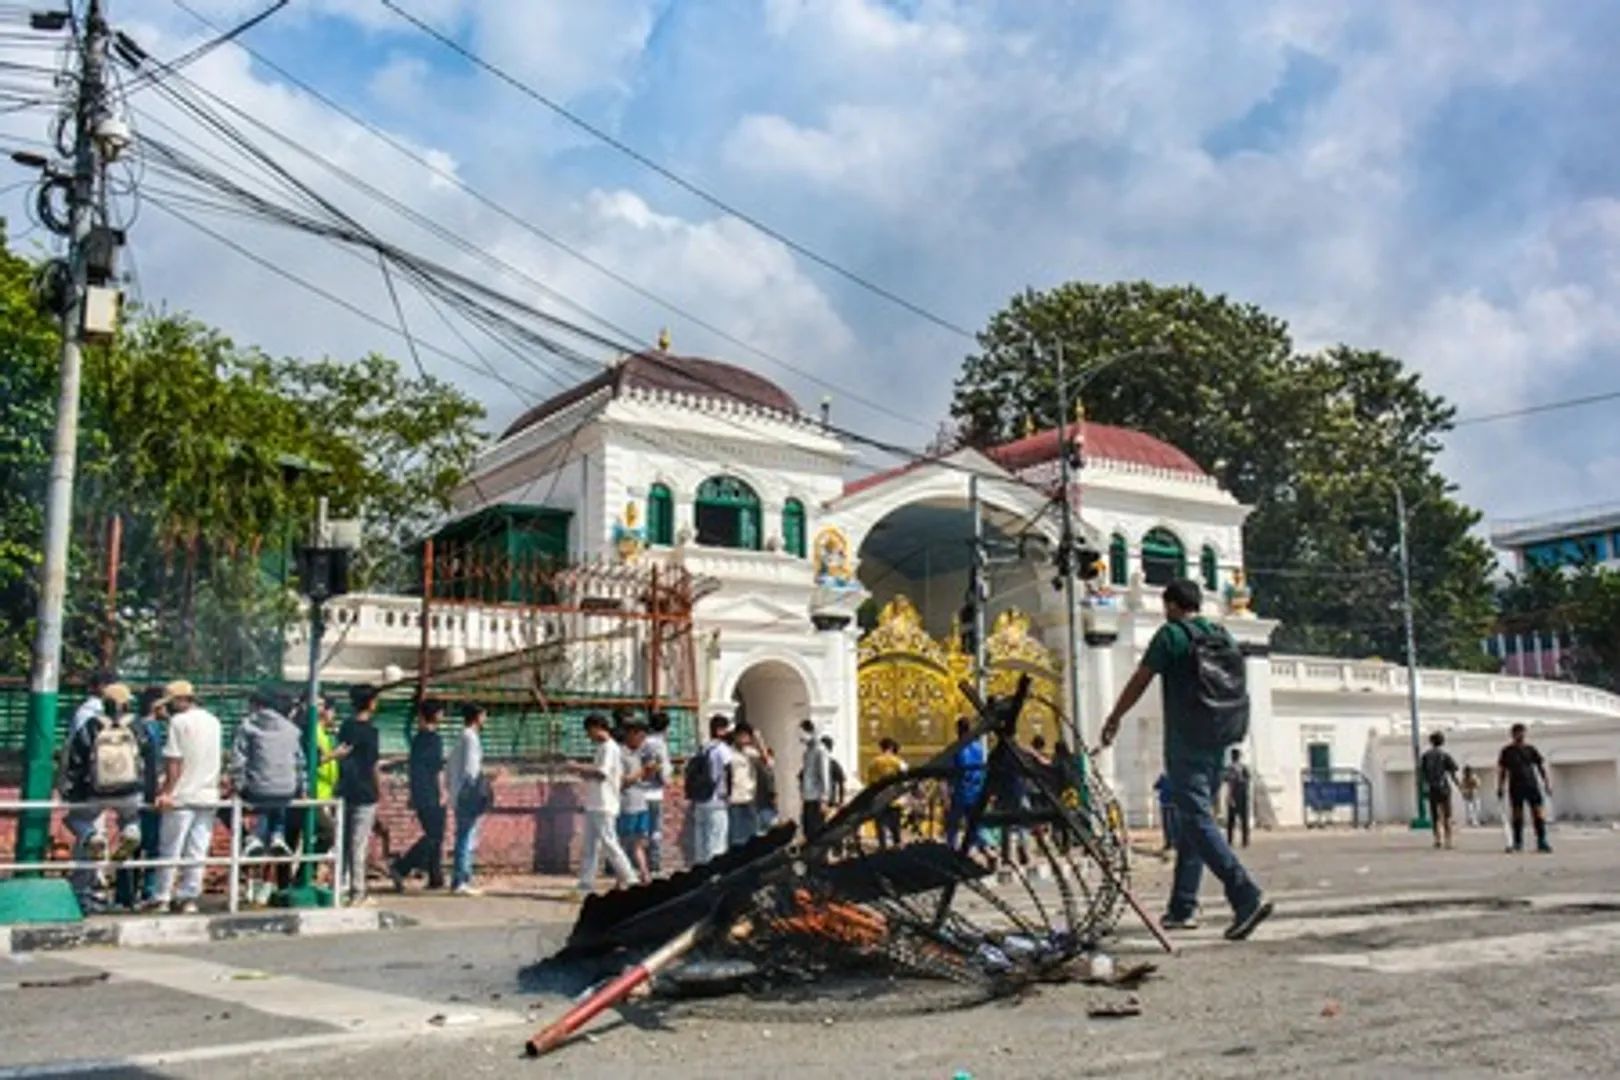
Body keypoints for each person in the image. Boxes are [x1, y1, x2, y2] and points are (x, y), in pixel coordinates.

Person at [1100, 579, 1273, 942]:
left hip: (1185, 744)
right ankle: (1183, 907)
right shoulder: (1221, 635)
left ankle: (1245, 894)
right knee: (1194, 820)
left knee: (1196, 819)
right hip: (1218, 741)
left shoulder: (1172, 635)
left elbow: (1140, 679)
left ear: (1171, 605)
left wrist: (1115, 716)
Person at [60, 682, 146, 913]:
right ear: (126, 703)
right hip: (130, 791)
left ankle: (91, 835)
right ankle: (131, 832)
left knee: (75, 819)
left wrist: (71, 790)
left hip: (96, 790)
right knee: (131, 818)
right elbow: (149, 758)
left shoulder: (92, 725)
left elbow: (76, 759)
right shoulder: (137, 726)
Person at [150, 680, 222, 915]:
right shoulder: (214, 722)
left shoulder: (178, 722)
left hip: (182, 794)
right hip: (208, 793)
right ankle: (188, 897)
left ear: (180, 701)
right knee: (197, 850)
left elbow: (174, 762)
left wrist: (166, 791)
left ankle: (162, 896)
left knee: (170, 848)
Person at [230, 686, 306, 905]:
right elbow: (300, 762)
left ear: (257, 706)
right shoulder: (292, 729)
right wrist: (302, 787)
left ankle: (255, 837)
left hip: (258, 789)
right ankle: (276, 834)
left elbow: (238, 759)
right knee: (277, 797)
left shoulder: (247, 726)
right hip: (287, 789)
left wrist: (238, 784)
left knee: (260, 795)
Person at [115, 686, 167, 910]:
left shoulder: (130, 725)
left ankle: (124, 895)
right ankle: (148, 891)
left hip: (129, 791)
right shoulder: (152, 729)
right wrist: (157, 793)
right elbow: (154, 765)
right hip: (148, 794)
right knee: (152, 846)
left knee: (130, 843)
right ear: (156, 706)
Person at [573, 713, 634, 893]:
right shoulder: (602, 748)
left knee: (610, 844)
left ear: (596, 728)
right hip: (595, 803)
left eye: (588, 731)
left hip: (605, 804)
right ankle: (585, 885)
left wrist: (577, 767)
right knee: (590, 847)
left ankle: (631, 879)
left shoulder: (609, 748)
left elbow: (601, 773)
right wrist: (582, 772)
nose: (588, 736)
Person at [391, 699, 447, 892]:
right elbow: (437, 768)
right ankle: (402, 867)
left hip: (419, 791)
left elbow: (414, 769)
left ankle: (436, 877)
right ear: (436, 715)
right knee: (434, 835)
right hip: (431, 792)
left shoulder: (417, 740)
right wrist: (442, 792)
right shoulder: (434, 740)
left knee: (435, 835)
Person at [336, 685, 382, 906]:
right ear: (370, 702)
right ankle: (357, 891)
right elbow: (373, 765)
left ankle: (341, 886)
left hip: (345, 789)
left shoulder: (346, 726)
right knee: (358, 844)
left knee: (344, 842)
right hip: (365, 791)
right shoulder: (371, 732)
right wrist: (378, 790)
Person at [448, 703, 489, 895]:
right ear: (477, 717)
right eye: (484, 715)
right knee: (466, 837)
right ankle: (461, 880)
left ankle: (459, 878)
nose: (485, 719)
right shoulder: (470, 738)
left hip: (459, 793)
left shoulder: (462, 737)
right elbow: (471, 770)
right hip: (468, 794)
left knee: (464, 835)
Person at [1497, 723, 1553, 854]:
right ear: (1512, 735)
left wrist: (1546, 783)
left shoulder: (1531, 749)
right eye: (1517, 733)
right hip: (1515, 786)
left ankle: (1542, 841)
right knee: (1517, 815)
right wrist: (1500, 786)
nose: (1520, 735)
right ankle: (1518, 842)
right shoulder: (1507, 751)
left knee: (1538, 813)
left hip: (1532, 785)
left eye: (1522, 732)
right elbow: (1502, 770)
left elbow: (1540, 767)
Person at [687, 714, 734, 862]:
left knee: (701, 839)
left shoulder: (703, 748)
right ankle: (715, 871)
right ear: (720, 730)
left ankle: (700, 867)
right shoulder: (722, 749)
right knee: (717, 840)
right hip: (717, 800)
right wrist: (730, 794)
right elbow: (729, 771)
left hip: (700, 799)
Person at [617, 717, 657, 884]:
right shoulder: (619, 754)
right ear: (630, 734)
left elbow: (644, 778)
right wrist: (643, 770)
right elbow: (622, 781)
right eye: (640, 737)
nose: (642, 741)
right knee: (624, 842)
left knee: (640, 842)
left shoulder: (638, 754)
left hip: (641, 803)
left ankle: (644, 872)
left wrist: (651, 771)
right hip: (627, 804)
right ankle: (622, 877)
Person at [945, 718, 987, 852]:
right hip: (976, 790)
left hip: (960, 791)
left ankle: (952, 849)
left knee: (953, 823)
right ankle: (984, 848)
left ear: (958, 730)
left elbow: (950, 771)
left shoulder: (956, 748)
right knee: (974, 823)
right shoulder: (979, 748)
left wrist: (947, 791)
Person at [642, 711, 674, 873]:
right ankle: (654, 863)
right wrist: (667, 780)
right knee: (655, 829)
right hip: (654, 791)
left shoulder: (643, 742)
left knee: (642, 830)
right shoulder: (659, 744)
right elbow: (661, 767)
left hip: (641, 791)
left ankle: (641, 861)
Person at [1420, 731, 1460, 850]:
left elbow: (1422, 774)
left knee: (1435, 816)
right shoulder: (1445, 756)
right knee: (1447, 815)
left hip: (1432, 788)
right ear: (1442, 742)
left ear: (1431, 742)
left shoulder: (1426, 756)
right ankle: (1448, 840)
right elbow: (1453, 773)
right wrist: (1459, 785)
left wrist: (1424, 787)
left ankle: (1437, 839)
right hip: (1444, 788)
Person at [726, 722, 762, 848]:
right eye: (741, 736)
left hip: (749, 799)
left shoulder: (750, 752)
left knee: (753, 838)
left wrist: (759, 740)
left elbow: (767, 761)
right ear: (735, 736)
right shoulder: (728, 753)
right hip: (734, 800)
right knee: (737, 839)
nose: (744, 739)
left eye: (747, 736)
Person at [865, 737, 906, 848]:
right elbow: (905, 782)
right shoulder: (899, 762)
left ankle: (883, 851)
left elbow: (871, 783)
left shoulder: (874, 763)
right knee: (896, 831)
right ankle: (898, 851)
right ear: (891, 747)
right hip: (895, 800)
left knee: (881, 832)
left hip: (879, 801)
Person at [797, 720, 832, 838]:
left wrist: (824, 799)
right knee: (807, 830)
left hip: (816, 798)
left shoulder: (820, 750)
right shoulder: (807, 751)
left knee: (816, 832)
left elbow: (824, 775)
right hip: (808, 797)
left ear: (810, 732)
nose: (800, 737)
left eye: (801, 733)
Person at [1223, 749, 1252, 849]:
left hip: (1240, 794)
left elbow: (1247, 779)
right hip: (1234, 794)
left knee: (1243, 819)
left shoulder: (1242, 768)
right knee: (1232, 819)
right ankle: (1231, 840)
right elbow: (1226, 779)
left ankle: (1244, 840)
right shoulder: (1230, 769)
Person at [1154, 773, 1178, 855]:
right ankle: (1172, 843)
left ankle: (1170, 843)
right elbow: (1156, 786)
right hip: (1172, 803)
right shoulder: (1175, 776)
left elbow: (1156, 787)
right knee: (1172, 824)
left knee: (1169, 824)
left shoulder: (1164, 777)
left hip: (1168, 803)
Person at [823, 735, 847, 807]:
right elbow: (842, 783)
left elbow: (842, 782)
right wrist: (841, 801)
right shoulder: (833, 764)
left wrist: (841, 801)